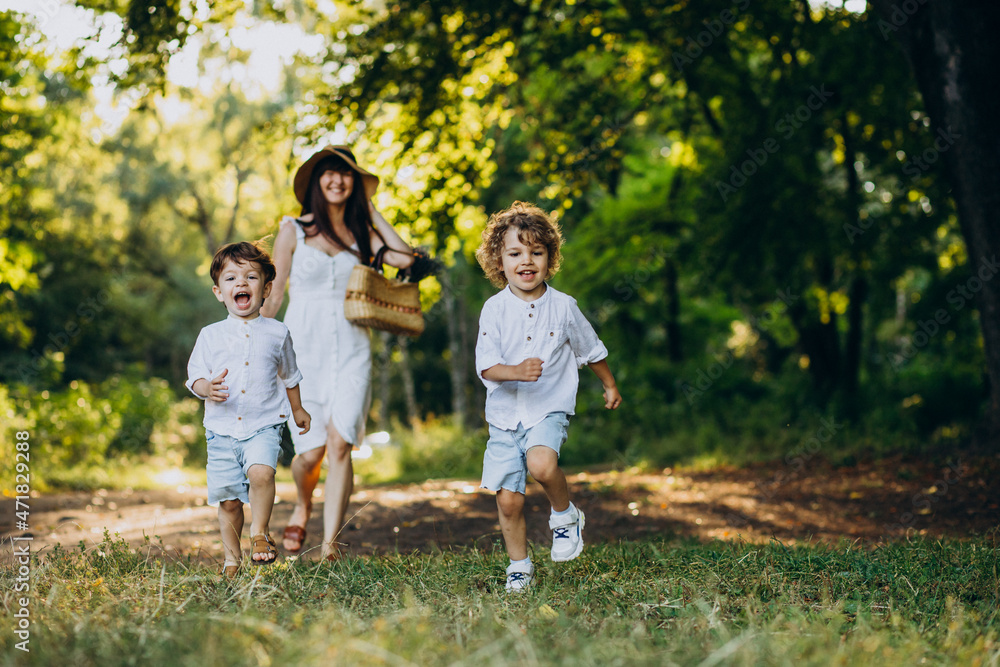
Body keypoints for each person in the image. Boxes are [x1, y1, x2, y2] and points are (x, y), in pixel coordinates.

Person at [262, 146, 414, 561]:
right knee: (309, 454)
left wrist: (370, 209)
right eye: (328, 173)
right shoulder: (292, 229)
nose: (337, 180)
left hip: (352, 347)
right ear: (315, 181)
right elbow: (274, 295)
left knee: (341, 443)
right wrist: (253, 340)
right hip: (302, 349)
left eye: (346, 174)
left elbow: (405, 258)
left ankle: (330, 544)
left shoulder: (364, 234)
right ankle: (303, 504)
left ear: (354, 183)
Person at [474, 201, 622, 592]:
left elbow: (591, 350)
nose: (527, 260)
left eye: (536, 252)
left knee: (542, 465)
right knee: (508, 501)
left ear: (549, 257)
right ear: (498, 260)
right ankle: (519, 565)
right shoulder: (493, 310)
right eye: (515, 252)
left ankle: (565, 515)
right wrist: (516, 372)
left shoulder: (564, 307)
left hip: (547, 408)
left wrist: (608, 384)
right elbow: (487, 366)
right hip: (504, 416)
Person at [186, 241, 312, 577]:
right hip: (221, 430)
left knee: (262, 473)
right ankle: (231, 560)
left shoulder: (278, 333)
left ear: (266, 288)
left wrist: (298, 409)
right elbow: (194, 375)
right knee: (228, 502)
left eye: (250, 277)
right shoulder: (210, 335)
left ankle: (260, 533)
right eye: (231, 279)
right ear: (218, 292)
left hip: (264, 424)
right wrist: (205, 388)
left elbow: (290, 374)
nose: (240, 284)